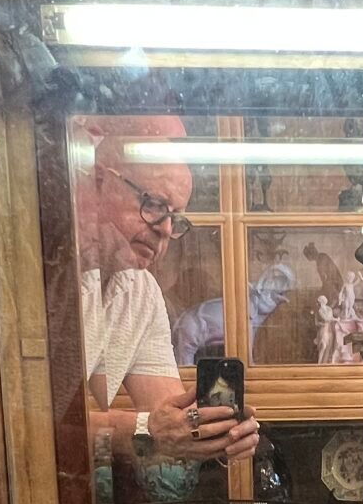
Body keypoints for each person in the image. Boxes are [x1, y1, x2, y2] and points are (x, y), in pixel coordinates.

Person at [74, 118, 259, 475]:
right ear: (97, 183)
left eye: (175, 217)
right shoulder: (40, 275)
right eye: (154, 204)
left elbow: (170, 418)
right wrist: (146, 431)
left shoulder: (140, 292)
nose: (165, 229)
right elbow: (26, 425)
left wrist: (214, 434)